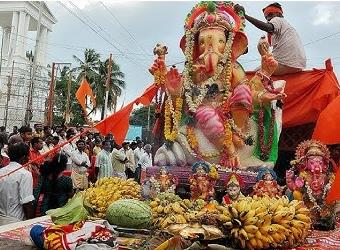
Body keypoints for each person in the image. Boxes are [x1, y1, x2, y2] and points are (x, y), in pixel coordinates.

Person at [234, 2, 306, 75]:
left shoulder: (277, 20)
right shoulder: (285, 27)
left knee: (253, 74)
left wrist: (245, 15)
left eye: (270, 15)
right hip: (298, 65)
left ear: (279, 14)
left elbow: (268, 27)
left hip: (286, 63)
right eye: (266, 17)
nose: (268, 19)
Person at [0, 142, 34, 225]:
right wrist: (31, 223)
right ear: (24, 157)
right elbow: (27, 202)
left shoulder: (1, 171)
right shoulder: (25, 174)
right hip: (16, 221)